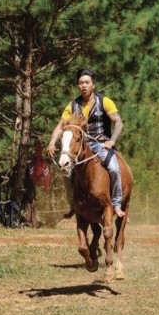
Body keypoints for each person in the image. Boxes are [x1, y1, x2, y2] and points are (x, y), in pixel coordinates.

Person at [47, 67, 125, 218]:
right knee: (66, 172)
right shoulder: (73, 105)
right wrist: (52, 142)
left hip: (102, 143)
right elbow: (60, 125)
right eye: (81, 82)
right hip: (80, 146)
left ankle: (116, 203)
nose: (84, 85)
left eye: (87, 82)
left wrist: (112, 140)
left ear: (93, 84)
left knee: (115, 169)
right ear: (77, 85)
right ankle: (73, 204)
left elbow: (118, 122)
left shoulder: (104, 101)